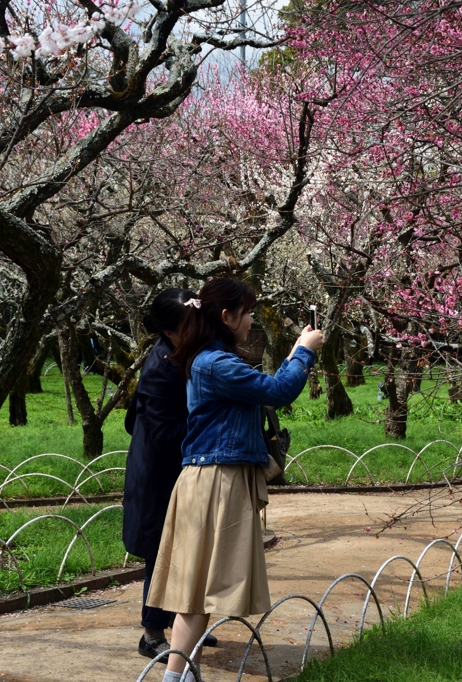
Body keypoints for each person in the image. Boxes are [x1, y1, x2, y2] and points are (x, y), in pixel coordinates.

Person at [146, 278, 324, 682]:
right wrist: (304, 352)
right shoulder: (216, 363)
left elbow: (268, 388)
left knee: (198, 592)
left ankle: (179, 675)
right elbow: (278, 392)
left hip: (213, 479)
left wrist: (298, 351)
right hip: (215, 483)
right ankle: (175, 677)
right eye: (247, 314)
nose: (251, 322)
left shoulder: (212, 359)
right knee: (196, 593)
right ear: (226, 316)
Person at [122, 288, 218, 662]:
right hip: (158, 475)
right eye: (190, 326)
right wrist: (210, 422)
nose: (199, 331)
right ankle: (152, 634)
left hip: (180, 469)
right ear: (170, 331)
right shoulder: (161, 369)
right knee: (160, 555)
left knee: (188, 550)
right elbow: (164, 434)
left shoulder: (185, 354)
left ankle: (184, 625)